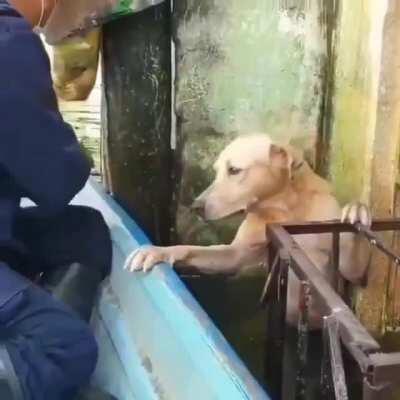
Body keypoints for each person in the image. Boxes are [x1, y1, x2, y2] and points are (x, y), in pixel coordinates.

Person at [0, 0, 112, 398]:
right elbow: (56, 181)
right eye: (97, 11)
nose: (91, 25)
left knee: (84, 230)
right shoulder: (8, 43)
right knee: (64, 347)